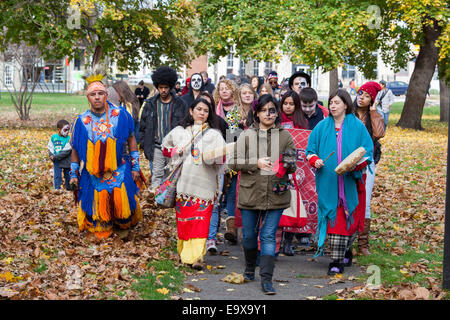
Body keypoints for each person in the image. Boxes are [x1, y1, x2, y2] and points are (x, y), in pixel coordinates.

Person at [229, 94, 296, 294]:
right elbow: (232, 162)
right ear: (256, 113)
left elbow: (293, 163)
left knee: (268, 236)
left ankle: (267, 279)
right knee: (249, 237)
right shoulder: (246, 135)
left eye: (273, 110)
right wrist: (255, 163)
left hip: (277, 194)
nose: (269, 113)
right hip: (251, 194)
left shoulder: (285, 136)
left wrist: (286, 164)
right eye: (264, 110)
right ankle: (250, 267)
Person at [306, 89, 373, 275]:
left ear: (345, 104)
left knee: (350, 220)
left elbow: (367, 150)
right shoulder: (321, 127)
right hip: (329, 183)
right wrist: (315, 160)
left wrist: (355, 165)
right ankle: (336, 260)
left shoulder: (357, 126)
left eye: (336, 102)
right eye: (331, 103)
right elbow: (309, 150)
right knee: (335, 221)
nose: (333, 106)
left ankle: (345, 250)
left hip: (351, 182)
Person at [69, 69, 143, 240]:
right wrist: (73, 174)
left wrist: (136, 167)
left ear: (106, 95)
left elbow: (131, 140)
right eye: (93, 94)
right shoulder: (81, 121)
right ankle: (103, 222)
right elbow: (75, 149)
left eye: (100, 93)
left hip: (119, 168)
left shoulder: (120, 115)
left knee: (123, 217)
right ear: (88, 98)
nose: (97, 97)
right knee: (100, 229)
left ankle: (121, 221)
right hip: (94, 174)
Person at [161, 97, 225, 270]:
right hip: (184, 185)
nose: (202, 113)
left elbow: (223, 159)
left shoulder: (214, 135)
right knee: (185, 221)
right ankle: (184, 255)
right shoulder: (180, 132)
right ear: (191, 111)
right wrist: (176, 151)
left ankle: (196, 257)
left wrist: (214, 158)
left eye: (206, 111)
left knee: (201, 222)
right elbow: (165, 149)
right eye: (199, 109)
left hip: (205, 186)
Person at [139, 66, 187, 190]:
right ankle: (156, 201)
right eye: (161, 87)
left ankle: (168, 203)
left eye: (166, 87)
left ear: (170, 86)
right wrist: (144, 144)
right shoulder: (150, 104)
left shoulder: (180, 104)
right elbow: (143, 126)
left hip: (174, 147)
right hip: (156, 146)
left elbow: (186, 125)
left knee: (172, 175)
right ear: (157, 87)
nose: (163, 90)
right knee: (157, 175)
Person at [352, 81, 385, 256]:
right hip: (346, 160)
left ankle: (363, 243)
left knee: (364, 201)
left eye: (366, 96)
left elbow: (379, 133)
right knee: (346, 198)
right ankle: (344, 238)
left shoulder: (374, 116)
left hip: (366, 162)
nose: (361, 98)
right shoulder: (349, 113)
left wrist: (373, 112)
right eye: (360, 94)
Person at [213, 78, 242, 245]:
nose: (224, 91)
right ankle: (214, 229)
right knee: (218, 192)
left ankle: (231, 228)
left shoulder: (237, 111)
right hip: (218, 154)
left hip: (233, 155)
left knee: (231, 191)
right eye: (221, 88)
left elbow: (236, 134)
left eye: (227, 88)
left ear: (232, 91)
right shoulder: (215, 110)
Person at [48, 119, 72, 190]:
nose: (67, 132)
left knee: (68, 175)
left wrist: (55, 157)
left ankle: (69, 188)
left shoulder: (69, 139)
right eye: (65, 130)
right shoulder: (54, 137)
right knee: (57, 175)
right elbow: (50, 146)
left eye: (68, 130)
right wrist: (51, 155)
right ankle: (57, 188)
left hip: (66, 160)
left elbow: (66, 151)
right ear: (59, 129)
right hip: (57, 161)